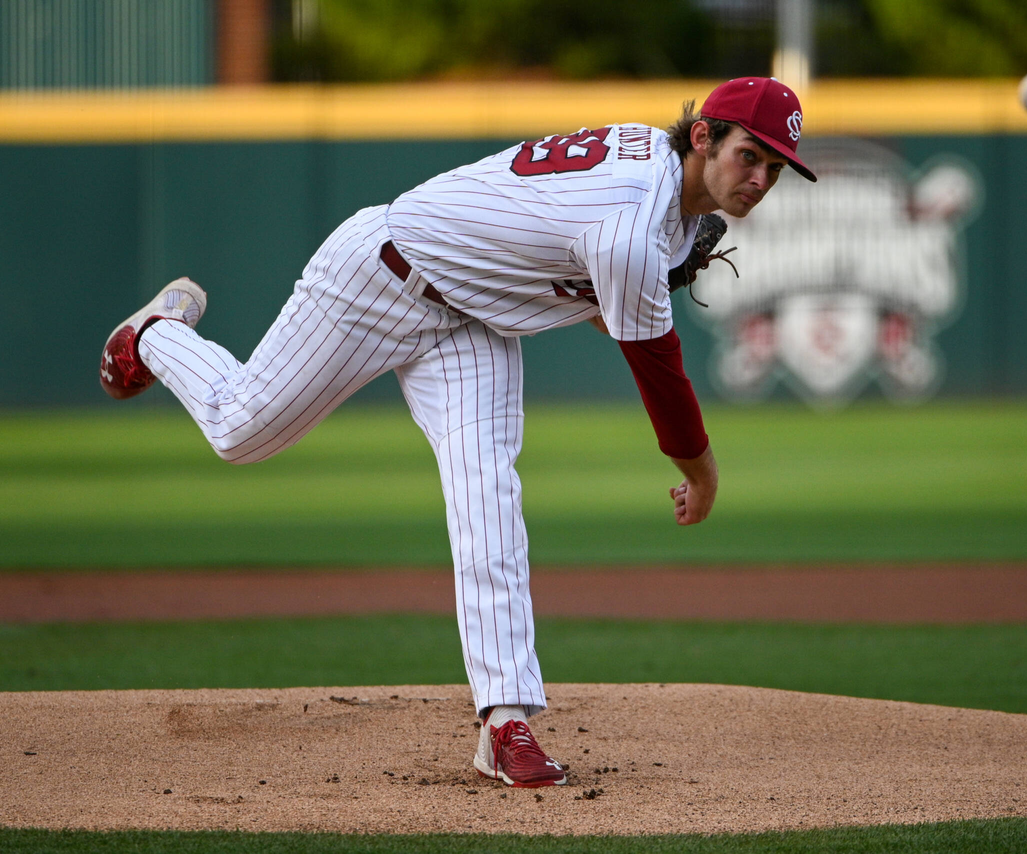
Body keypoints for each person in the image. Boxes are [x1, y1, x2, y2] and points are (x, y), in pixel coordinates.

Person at [98, 77, 816, 788]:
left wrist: (633, 288)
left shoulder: (662, 187)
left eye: (775, 169)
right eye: (750, 156)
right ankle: (154, 335)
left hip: (474, 321)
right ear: (703, 136)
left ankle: (505, 722)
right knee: (239, 429)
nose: (759, 178)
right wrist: (703, 474)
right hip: (379, 276)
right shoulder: (634, 222)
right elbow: (659, 369)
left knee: (487, 493)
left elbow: (584, 282)